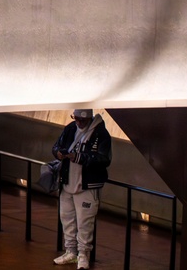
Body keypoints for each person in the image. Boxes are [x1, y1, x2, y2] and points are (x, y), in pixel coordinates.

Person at [52, 109, 112, 269]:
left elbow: (104, 159)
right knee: (67, 219)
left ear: (90, 118)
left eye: (82, 120)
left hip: (87, 186)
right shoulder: (70, 128)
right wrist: (58, 153)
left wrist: (77, 157)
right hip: (67, 183)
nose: (78, 123)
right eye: (76, 118)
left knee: (85, 223)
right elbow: (56, 145)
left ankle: (83, 256)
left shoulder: (101, 133)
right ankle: (71, 252)